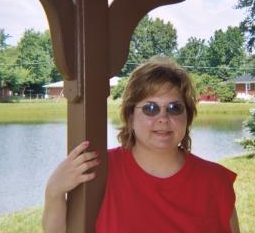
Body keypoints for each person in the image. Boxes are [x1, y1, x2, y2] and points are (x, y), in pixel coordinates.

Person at [42, 56, 240, 233]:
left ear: (187, 116)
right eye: (150, 108)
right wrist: (54, 190)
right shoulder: (98, 169)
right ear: (130, 116)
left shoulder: (216, 182)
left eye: (175, 108)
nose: (163, 118)